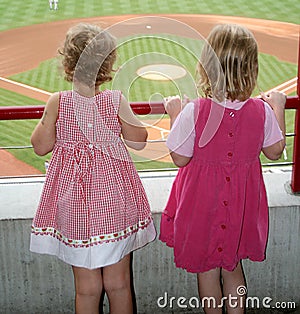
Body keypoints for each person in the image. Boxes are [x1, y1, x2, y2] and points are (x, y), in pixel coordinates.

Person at [30, 23, 156, 314]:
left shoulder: (58, 102)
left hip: (75, 208)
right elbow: (139, 141)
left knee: (86, 289)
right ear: (107, 64)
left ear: (68, 62)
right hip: (113, 204)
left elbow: (40, 146)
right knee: (119, 284)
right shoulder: (115, 101)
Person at [160, 24, 286, 314]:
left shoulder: (196, 110)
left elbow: (180, 157)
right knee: (233, 266)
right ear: (251, 68)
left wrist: (175, 113)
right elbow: (275, 151)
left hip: (202, 206)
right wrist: (278, 106)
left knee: (207, 271)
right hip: (240, 206)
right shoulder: (261, 110)